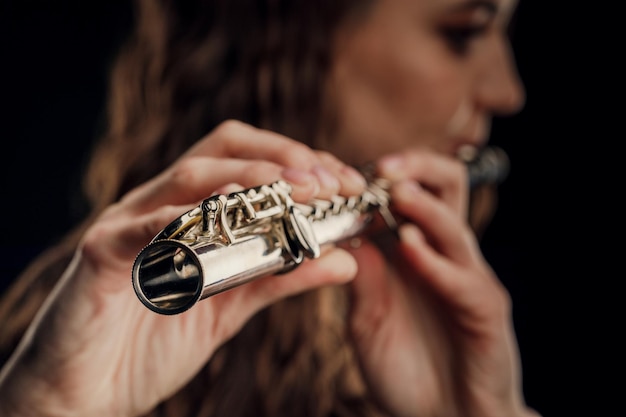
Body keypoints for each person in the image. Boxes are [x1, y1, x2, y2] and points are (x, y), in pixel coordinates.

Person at [0, 0, 540, 416]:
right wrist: (47, 405)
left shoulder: (421, 339)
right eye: (464, 32)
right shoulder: (71, 328)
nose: (507, 91)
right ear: (302, 33)